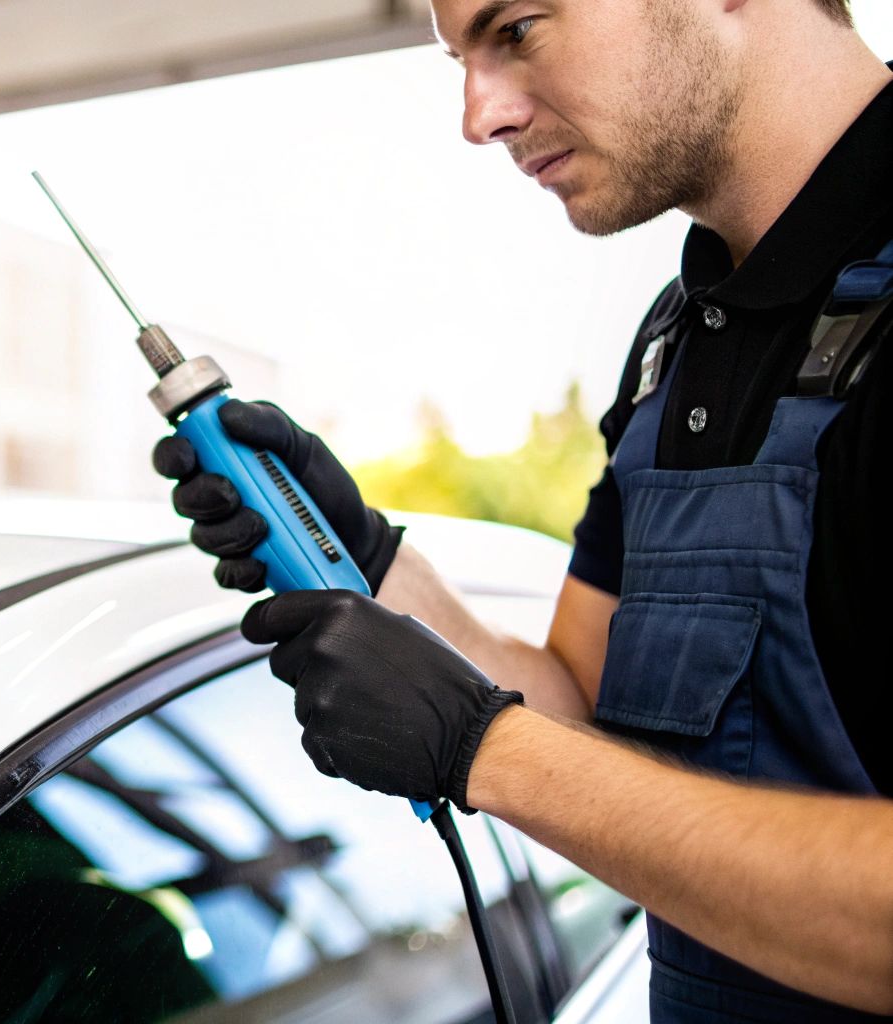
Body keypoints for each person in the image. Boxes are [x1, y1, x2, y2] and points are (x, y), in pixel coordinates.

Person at [152, 0, 893, 1019]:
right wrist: (369, 561)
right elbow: (590, 726)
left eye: (516, 28)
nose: (477, 116)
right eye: (460, 55)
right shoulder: (677, 342)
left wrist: (483, 749)